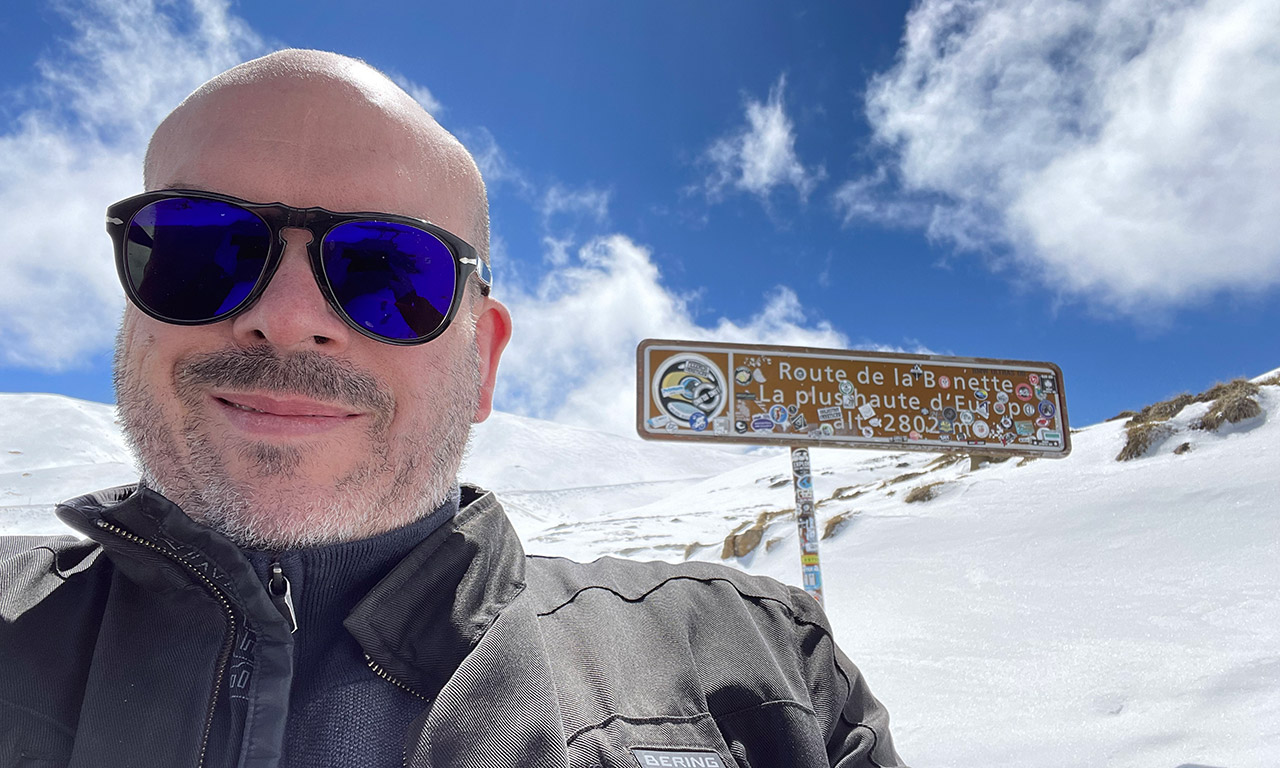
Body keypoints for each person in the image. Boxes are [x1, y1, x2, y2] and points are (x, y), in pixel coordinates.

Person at [0, 50, 904, 768]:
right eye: (199, 250)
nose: (287, 316)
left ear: (484, 362)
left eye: (387, 271)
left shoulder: (759, 664)